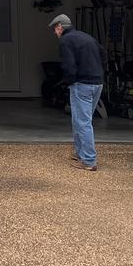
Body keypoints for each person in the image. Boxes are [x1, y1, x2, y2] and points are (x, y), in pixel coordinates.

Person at [48, 13, 107, 171]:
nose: (55, 32)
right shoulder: (87, 37)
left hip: (82, 84)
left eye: (55, 28)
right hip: (97, 83)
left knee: (82, 122)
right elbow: (103, 54)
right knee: (82, 120)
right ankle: (79, 152)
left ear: (60, 26)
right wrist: (101, 73)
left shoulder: (65, 41)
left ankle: (88, 160)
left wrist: (70, 81)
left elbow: (68, 65)